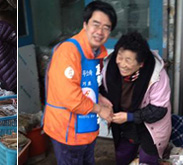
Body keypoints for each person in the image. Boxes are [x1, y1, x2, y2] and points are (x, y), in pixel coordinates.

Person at [43, 2, 117, 164]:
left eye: (106, 27)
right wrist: (100, 110)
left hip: (86, 128)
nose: (100, 32)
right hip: (67, 131)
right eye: (96, 24)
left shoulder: (96, 53)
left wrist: (101, 98)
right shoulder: (68, 52)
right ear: (85, 24)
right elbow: (70, 97)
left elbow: (88, 86)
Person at [101, 32, 172, 165]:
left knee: (147, 160)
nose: (121, 64)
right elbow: (102, 90)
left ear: (141, 64)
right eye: (120, 57)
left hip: (150, 126)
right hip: (123, 125)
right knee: (122, 156)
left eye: (128, 60)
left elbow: (159, 110)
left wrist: (129, 117)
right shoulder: (110, 67)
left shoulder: (156, 75)